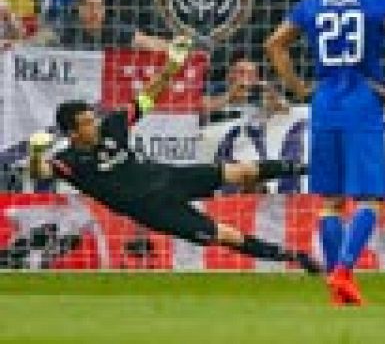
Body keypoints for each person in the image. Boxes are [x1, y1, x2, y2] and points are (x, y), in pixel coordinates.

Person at [26, 37, 320, 274]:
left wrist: (170, 68)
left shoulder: (111, 127)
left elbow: (144, 99)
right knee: (223, 235)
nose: (95, 124)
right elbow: (40, 172)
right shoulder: (70, 162)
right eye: (87, 123)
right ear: (73, 133)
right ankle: (291, 255)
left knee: (240, 171)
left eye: (92, 118)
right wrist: (36, 153)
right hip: (155, 212)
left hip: (169, 177)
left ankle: (308, 168)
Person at [265, 0, 385, 305]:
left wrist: (299, 88)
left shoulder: (312, 3)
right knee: (371, 197)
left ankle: (339, 288)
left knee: (330, 200)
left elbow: (273, 45)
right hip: (362, 100)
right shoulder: (379, 0)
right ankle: (343, 270)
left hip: (324, 102)